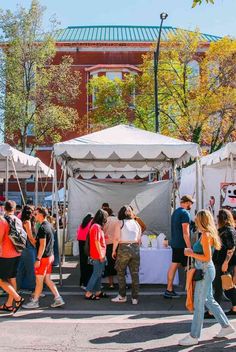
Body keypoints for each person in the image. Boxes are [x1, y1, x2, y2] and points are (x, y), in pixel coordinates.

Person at [179, 209, 235, 346]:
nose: (195, 221)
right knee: (209, 300)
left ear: (201, 220)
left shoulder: (205, 235)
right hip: (206, 269)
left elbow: (206, 257)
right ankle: (226, 327)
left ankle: (194, 336)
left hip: (204, 269)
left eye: (197, 219)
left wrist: (190, 253)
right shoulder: (209, 233)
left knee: (199, 303)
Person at [23, 207, 65, 309]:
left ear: (41, 214)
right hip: (49, 256)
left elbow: (42, 245)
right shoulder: (49, 226)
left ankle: (35, 301)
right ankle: (58, 298)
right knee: (47, 280)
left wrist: (38, 259)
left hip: (44, 258)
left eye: (36, 214)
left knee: (39, 281)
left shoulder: (43, 227)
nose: (34, 215)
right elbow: (41, 243)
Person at [205, 209, 236, 318]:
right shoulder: (225, 229)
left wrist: (225, 263)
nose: (217, 219)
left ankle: (212, 312)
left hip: (223, 263)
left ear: (222, 218)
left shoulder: (228, 230)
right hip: (222, 262)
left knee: (218, 286)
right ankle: (234, 308)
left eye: (218, 217)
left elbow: (231, 248)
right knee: (227, 286)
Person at [164, 195, 194, 299]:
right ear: (187, 202)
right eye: (191, 203)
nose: (191, 205)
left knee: (174, 266)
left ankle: (169, 289)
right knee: (190, 268)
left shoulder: (176, 212)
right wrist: (189, 247)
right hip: (183, 245)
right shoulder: (185, 213)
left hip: (175, 244)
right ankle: (191, 292)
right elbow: (185, 232)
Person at [111, 205, 142, 305]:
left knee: (120, 272)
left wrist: (113, 250)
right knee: (135, 274)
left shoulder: (120, 223)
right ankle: (135, 298)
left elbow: (116, 238)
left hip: (123, 248)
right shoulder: (137, 223)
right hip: (135, 248)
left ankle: (122, 296)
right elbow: (139, 239)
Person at [0, 200, 25, 313]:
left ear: (4, 208)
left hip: (5, 254)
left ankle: (18, 298)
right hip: (17, 252)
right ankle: (9, 304)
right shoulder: (18, 220)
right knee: (12, 278)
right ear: (14, 209)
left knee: (1, 280)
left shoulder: (3, 221)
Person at [84, 209, 108, 300]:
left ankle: (98, 291)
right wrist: (101, 255)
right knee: (96, 274)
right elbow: (97, 241)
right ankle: (88, 292)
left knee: (98, 274)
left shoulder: (95, 226)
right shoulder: (96, 227)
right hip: (98, 255)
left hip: (98, 254)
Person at [16, 205, 37, 292]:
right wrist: (36, 245)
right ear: (30, 212)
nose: (34, 213)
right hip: (28, 247)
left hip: (23, 247)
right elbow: (31, 237)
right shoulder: (27, 222)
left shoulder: (22, 221)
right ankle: (33, 288)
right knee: (31, 268)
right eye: (33, 211)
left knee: (21, 268)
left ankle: (16, 287)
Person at [77, 213, 93, 289]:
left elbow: (78, 233)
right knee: (89, 265)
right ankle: (87, 283)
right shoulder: (91, 223)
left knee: (83, 264)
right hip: (87, 244)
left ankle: (82, 283)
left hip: (81, 243)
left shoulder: (82, 224)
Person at [103, 208, 119, 289]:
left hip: (107, 244)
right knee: (119, 263)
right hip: (117, 244)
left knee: (109, 264)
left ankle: (111, 283)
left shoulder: (105, 220)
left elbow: (102, 231)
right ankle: (122, 283)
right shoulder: (117, 219)